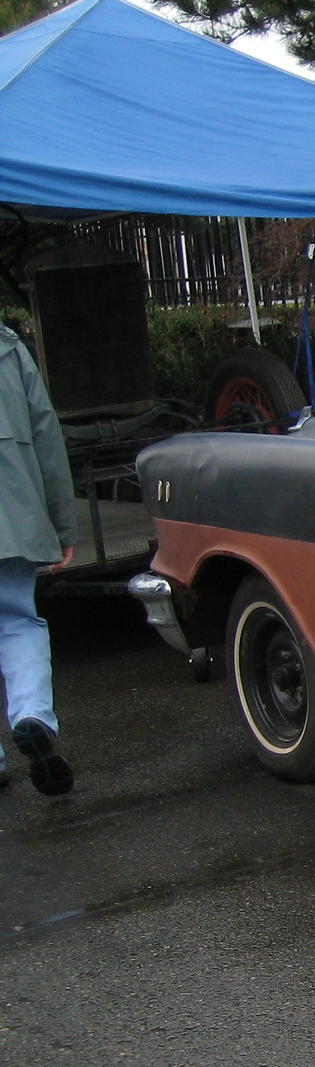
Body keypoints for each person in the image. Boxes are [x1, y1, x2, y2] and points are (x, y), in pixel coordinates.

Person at [0, 319, 76, 794]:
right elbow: (47, 437)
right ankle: (31, 713)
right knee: (17, 620)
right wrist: (62, 523)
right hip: (12, 509)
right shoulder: (8, 349)